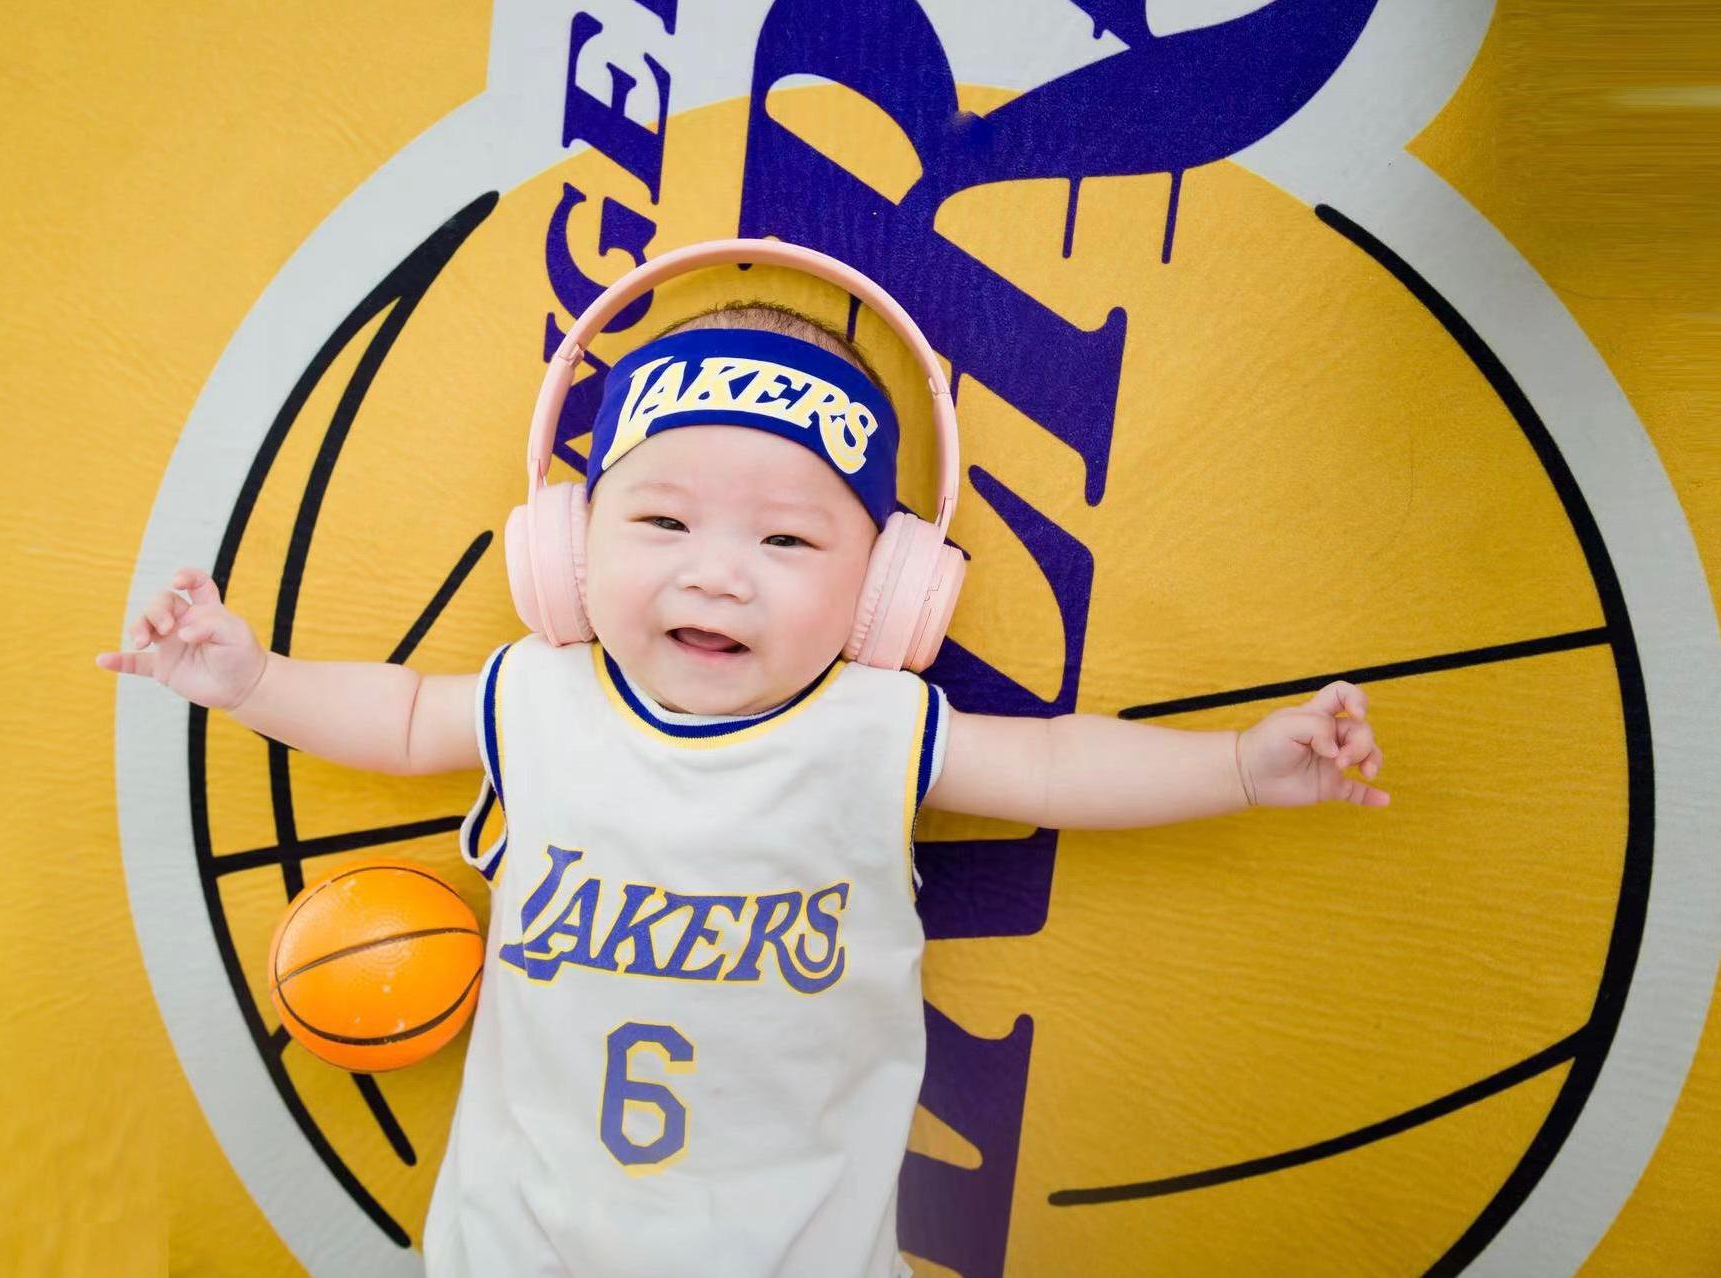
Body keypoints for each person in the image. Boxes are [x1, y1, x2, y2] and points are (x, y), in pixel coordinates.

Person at [96, 288, 1389, 1278]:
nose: (717, 573)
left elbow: (1053, 762)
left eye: (786, 538)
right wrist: (249, 679)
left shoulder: (872, 725)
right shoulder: (539, 692)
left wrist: (1237, 762)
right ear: (567, 551)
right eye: (661, 522)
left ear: (886, 593)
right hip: (523, 1240)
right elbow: (395, 714)